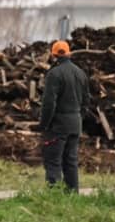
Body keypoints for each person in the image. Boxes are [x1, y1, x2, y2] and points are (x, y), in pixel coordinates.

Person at [38, 40, 90, 192]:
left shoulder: (54, 74)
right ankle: (72, 195)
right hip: (75, 124)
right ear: (68, 53)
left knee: (53, 161)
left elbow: (49, 103)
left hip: (58, 125)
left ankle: (54, 196)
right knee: (71, 161)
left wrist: (44, 124)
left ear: (53, 55)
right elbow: (87, 101)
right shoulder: (81, 73)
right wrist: (79, 118)